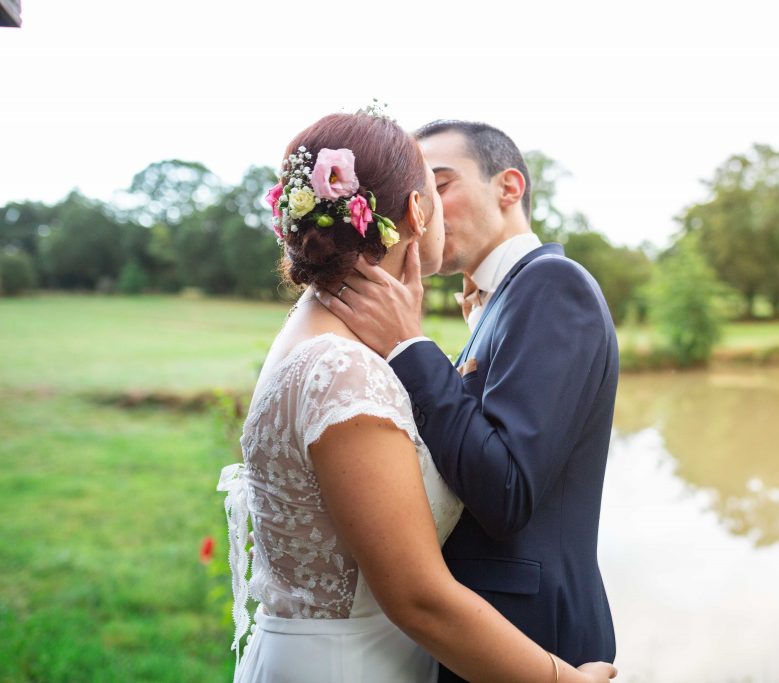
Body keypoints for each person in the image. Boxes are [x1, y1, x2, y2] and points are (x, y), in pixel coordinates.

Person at [218, 111, 617, 683]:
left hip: (529, 630)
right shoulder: (342, 358)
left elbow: (506, 480)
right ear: (413, 212)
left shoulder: (552, 284)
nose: (433, 205)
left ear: (509, 187)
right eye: (428, 189)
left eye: (444, 181)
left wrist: (412, 347)